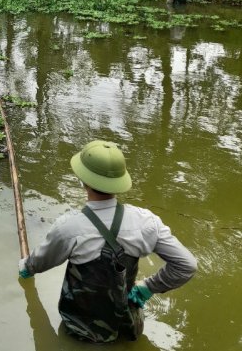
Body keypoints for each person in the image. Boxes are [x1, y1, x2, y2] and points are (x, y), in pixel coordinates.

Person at [18, 140, 197, 343]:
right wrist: (148, 287)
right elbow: (187, 266)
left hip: (81, 329)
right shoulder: (147, 222)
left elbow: (39, 263)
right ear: (120, 181)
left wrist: (26, 268)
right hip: (127, 326)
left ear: (83, 180)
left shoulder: (68, 227)